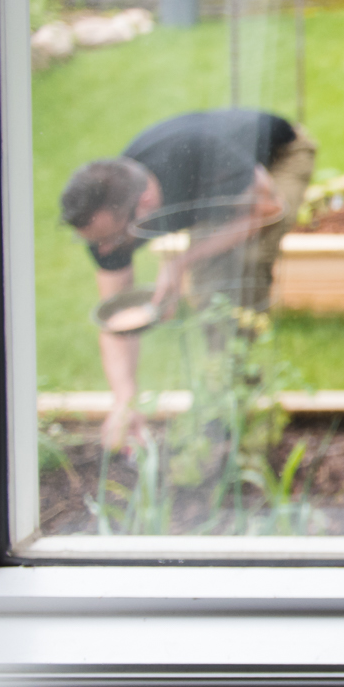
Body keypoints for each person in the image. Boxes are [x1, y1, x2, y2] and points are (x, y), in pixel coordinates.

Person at [59, 109, 316, 449]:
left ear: (145, 204)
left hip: (278, 158)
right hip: (212, 192)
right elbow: (115, 318)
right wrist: (124, 399)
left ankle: (233, 400)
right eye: (95, 241)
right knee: (207, 275)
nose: (104, 249)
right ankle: (222, 392)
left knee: (232, 272)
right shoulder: (105, 223)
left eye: (111, 238)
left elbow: (268, 210)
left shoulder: (197, 154)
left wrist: (181, 262)